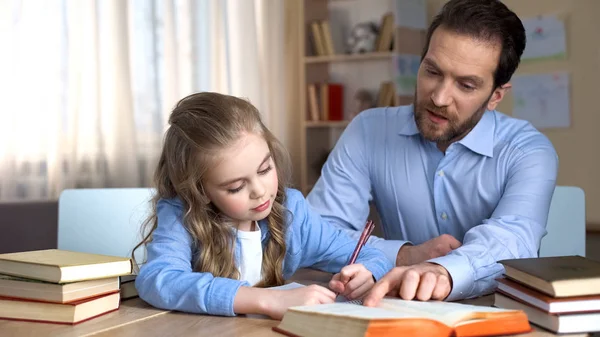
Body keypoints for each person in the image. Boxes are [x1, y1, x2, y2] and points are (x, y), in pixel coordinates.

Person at [306, 0, 558, 305]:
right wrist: (404, 255)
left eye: (465, 85)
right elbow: (316, 234)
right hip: (394, 312)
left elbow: (511, 241)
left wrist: (440, 271)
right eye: (432, 71)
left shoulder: (528, 152)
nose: (438, 98)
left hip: (491, 315)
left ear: (496, 96)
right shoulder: (368, 130)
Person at [133, 92, 393, 319]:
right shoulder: (182, 214)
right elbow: (159, 280)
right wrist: (268, 300)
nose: (260, 191)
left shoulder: (292, 212)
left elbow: (372, 255)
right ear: (200, 190)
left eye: (265, 169)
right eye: (235, 187)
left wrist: (367, 273)